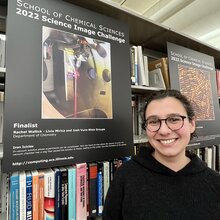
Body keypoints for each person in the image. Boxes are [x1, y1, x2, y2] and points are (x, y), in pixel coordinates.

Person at [102, 89, 220, 220]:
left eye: (174, 119)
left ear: (192, 124)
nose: (164, 131)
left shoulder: (215, 183)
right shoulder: (125, 176)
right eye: (153, 121)